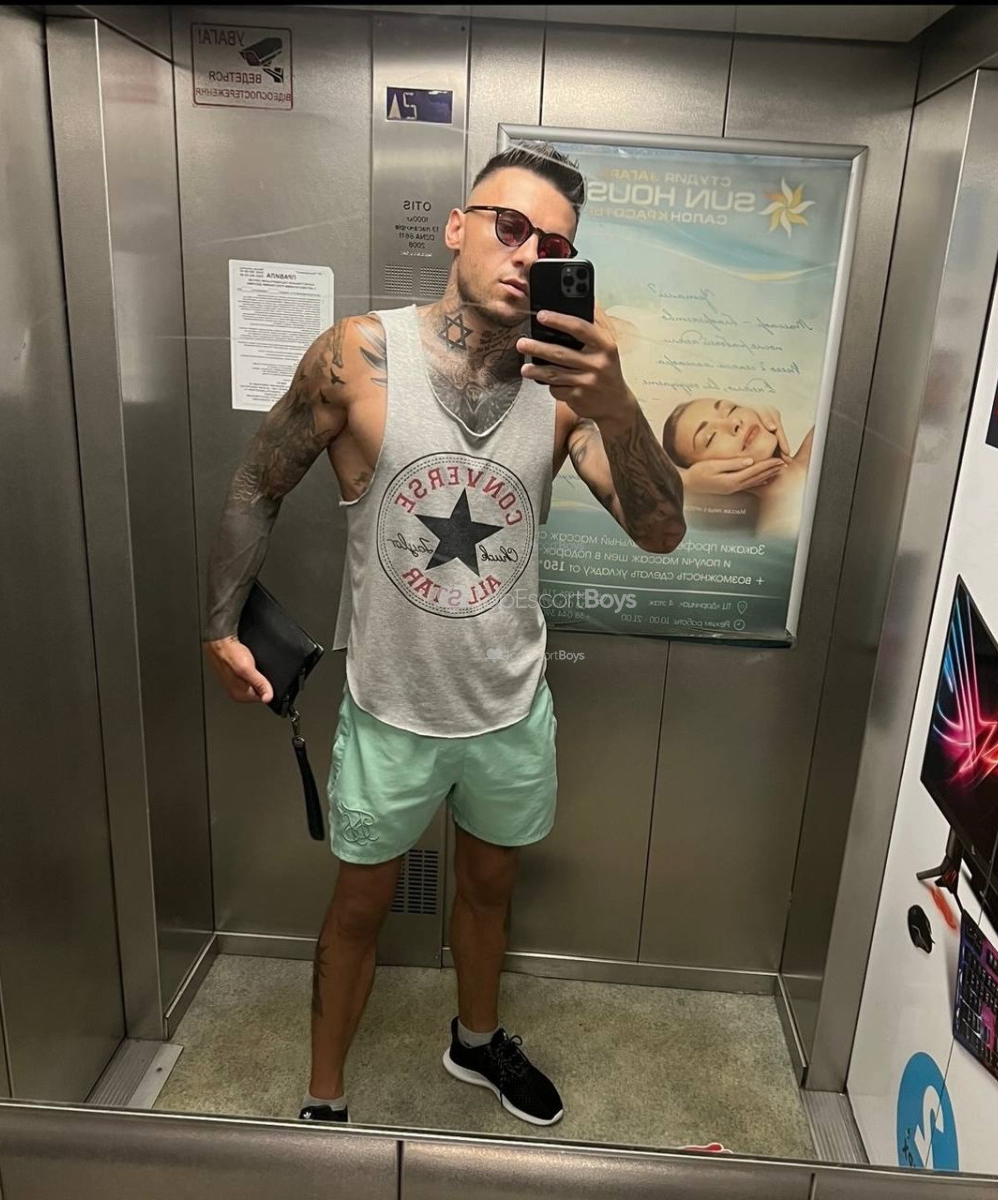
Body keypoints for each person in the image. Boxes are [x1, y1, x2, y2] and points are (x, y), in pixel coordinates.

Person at [202, 142, 686, 1128]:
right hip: (390, 707)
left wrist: (618, 403)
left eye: (554, 245)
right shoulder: (355, 356)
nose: (528, 253)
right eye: (511, 226)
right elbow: (258, 480)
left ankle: (474, 1042)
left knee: (488, 891)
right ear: (458, 228)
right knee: (359, 907)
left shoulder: (569, 390)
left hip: (509, 707)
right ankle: (324, 1101)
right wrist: (219, 627)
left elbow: (661, 531)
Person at [662, 396, 814, 537]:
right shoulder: (778, 535)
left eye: (732, 409)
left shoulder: (820, 435)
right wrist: (686, 481)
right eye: (710, 438)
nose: (734, 422)